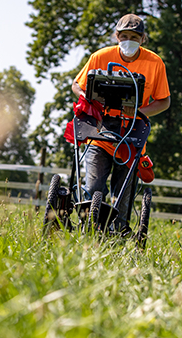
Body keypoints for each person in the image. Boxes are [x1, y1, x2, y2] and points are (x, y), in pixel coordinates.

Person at [71, 13, 171, 231]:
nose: (129, 41)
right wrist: (87, 97)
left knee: (123, 194)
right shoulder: (100, 56)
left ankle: (118, 233)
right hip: (100, 132)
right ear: (116, 36)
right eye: (124, 36)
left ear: (143, 39)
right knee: (94, 185)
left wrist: (137, 111)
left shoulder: (155, 63)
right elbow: (77, 85)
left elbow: (164, 101)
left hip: (131, 136)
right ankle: (88, 226)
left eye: (134, 37)